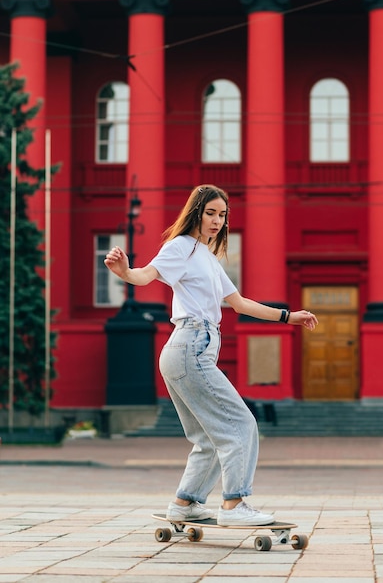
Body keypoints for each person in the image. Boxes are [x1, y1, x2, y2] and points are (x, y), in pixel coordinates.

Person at [104, 184, 318, 526]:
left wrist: (288, 316)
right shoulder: (181, 248)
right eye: (210, 213)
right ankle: (235, 505)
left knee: (208, 436)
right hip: (191, 345)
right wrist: (126, 273)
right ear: (196, 213)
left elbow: (241, 304)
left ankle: (185, 503)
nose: (217, 221)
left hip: (188, 349)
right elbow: (146, 276)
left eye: (222, 215)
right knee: (241, 424)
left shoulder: (208, 258)